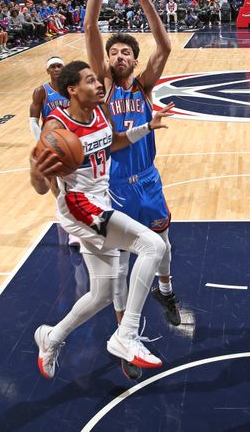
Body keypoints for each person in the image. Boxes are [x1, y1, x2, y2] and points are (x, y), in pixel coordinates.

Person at [30, 60, 174, 379]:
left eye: (98, 80)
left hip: (101, 200)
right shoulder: (55, 127)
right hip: (79, 205)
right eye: (91, 80)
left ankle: (50, 338)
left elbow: (115, 143)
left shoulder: (100, 112)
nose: (99, 84)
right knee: (152, 246)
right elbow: (40, 185)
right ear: (73, 90)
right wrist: (36, 172)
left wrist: (147, 127)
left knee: (102, 293)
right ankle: (127, 335)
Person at [85, 0, 182, 331]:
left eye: (126, 52)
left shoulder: (144, 87)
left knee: (164, 248)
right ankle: (125, 327)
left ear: (134, 60)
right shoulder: (101, 86)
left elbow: (166, 47)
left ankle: (166, 289)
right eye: (115, 52)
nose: (120, 56)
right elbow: (90, 24)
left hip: (148, 179)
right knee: (122, 261)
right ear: (107, 61)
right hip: (114, 184)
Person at [29, 56, 81, 248]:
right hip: (51, 142)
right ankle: (69, 225)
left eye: (60, 66)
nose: (57, 69)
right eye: (53, 67)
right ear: (48, 71)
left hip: (72, 141)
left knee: (74, 182)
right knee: (55, 183)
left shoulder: (72, 88)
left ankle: (77, 218)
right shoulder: (41, 91)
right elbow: (33, 119)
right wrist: (41, 142)